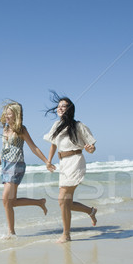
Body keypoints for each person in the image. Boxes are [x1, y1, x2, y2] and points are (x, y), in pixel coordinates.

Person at [0, 100, 55, 236]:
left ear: (16, 115)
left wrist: (46, 162)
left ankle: (11, 232)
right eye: (5, 114)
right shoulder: (5, 129)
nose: (6, 117)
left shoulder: (21, 129)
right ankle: (39, 202)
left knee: (5, 199)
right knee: (11, 202)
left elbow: (33, 147)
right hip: (5, 164)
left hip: (16, 165)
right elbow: (3, 149)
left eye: (9, 114)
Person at [43, 91, 97, 243]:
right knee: (65, 202)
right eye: (58, 106)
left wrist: (90, 149)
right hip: (63, 164)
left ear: (70, 109)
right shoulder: (56, 125)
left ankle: (66, 235)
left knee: (62, 200)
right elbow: (54, 144)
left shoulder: (79, 126)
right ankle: (90, 211)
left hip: (75, 160)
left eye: (63, 106)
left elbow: (92, 147)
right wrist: (49, 161)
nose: (59, 109)